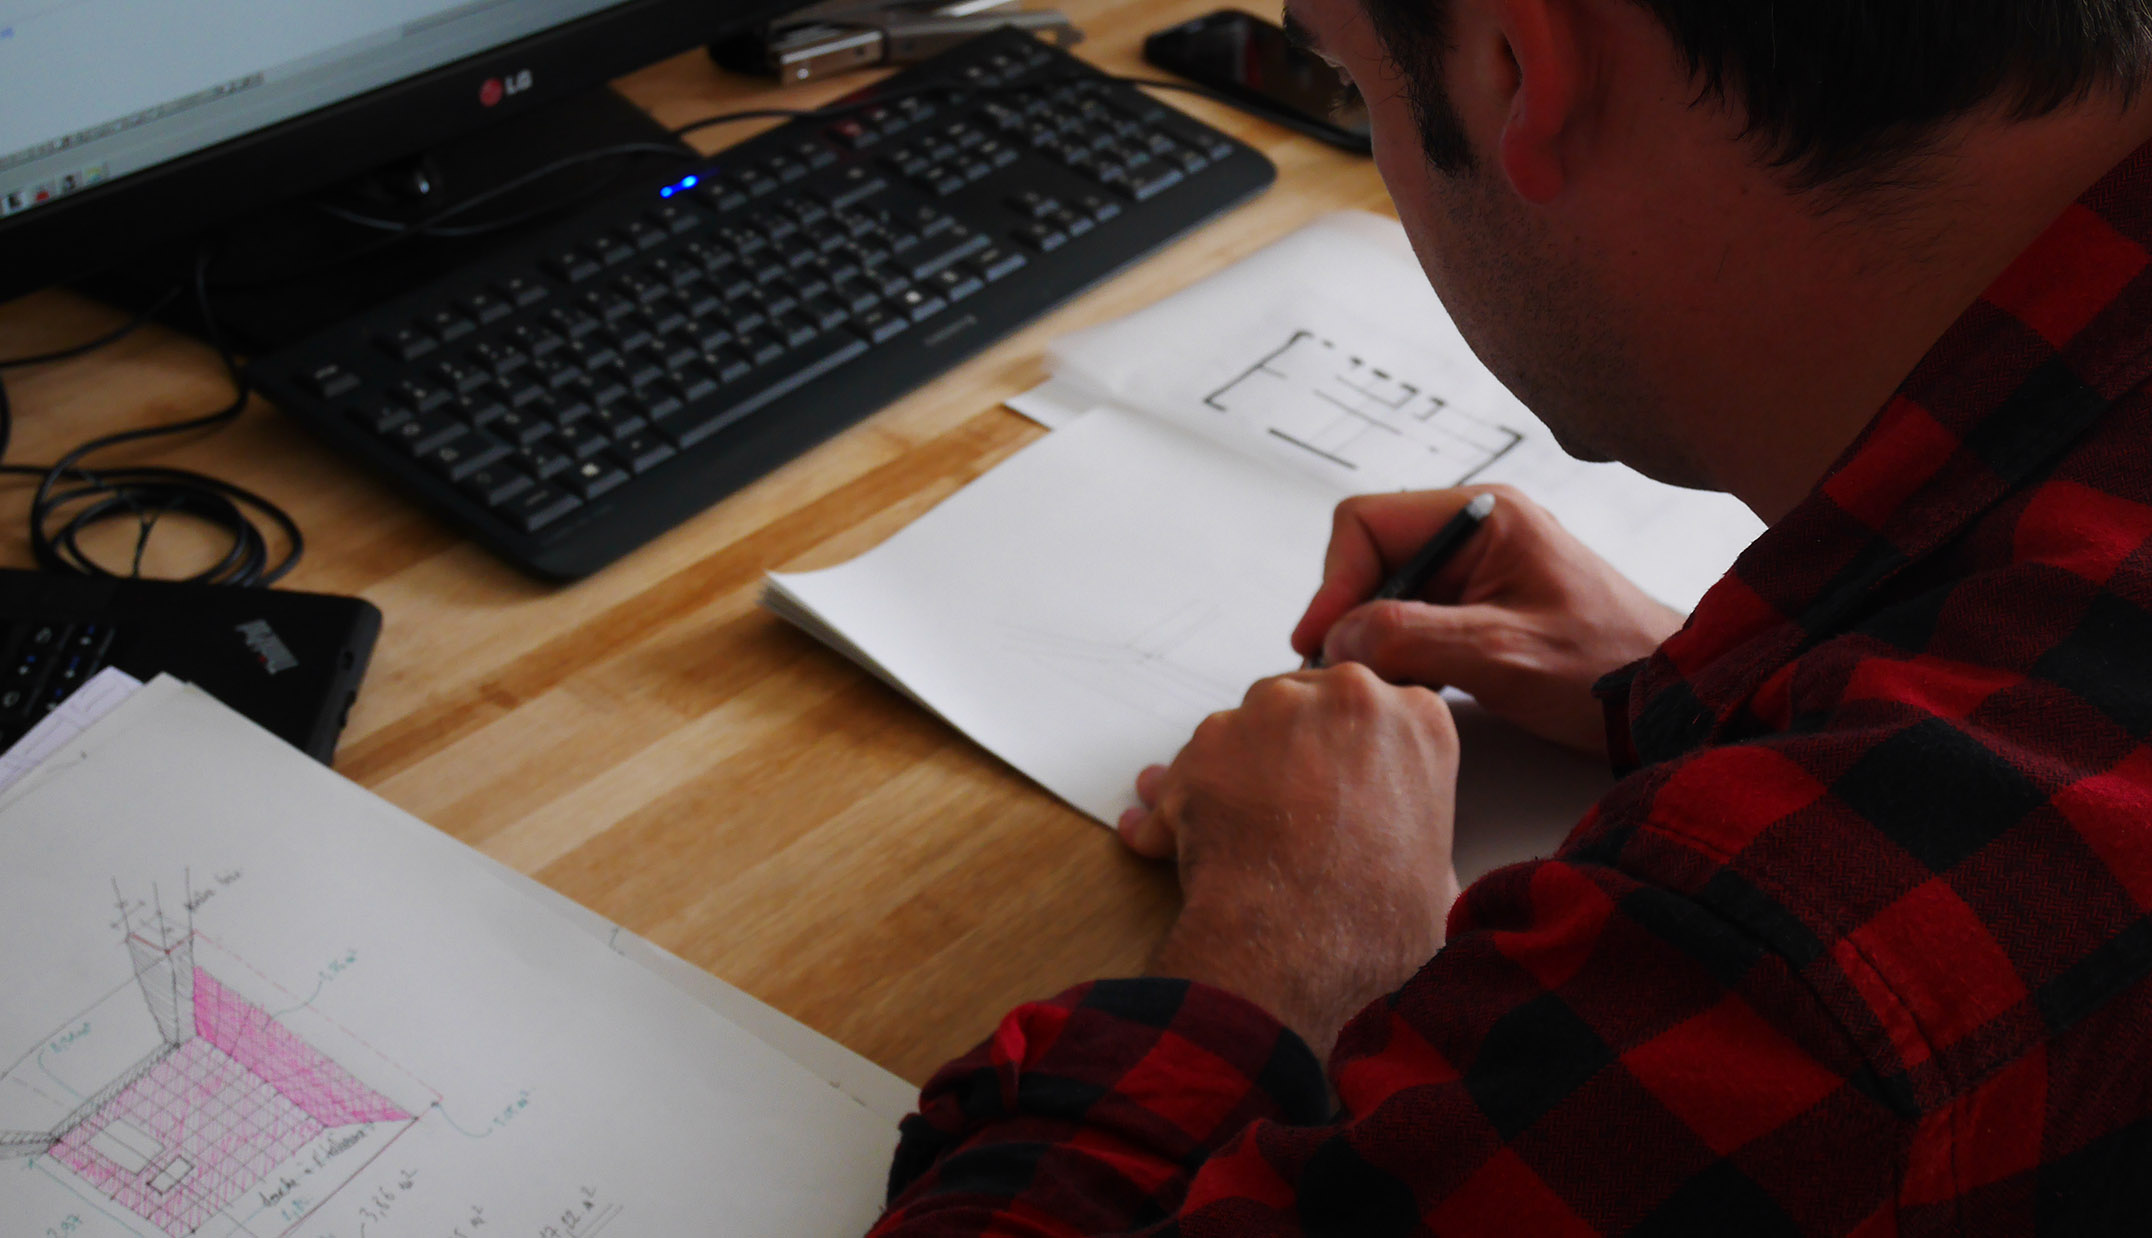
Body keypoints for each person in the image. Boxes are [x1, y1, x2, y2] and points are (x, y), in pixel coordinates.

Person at [873, 0, 2152, 1231]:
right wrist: (1691, 678)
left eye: (1353, 81)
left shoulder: (1805, 976)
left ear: (1514, 61)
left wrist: (1294, 953)